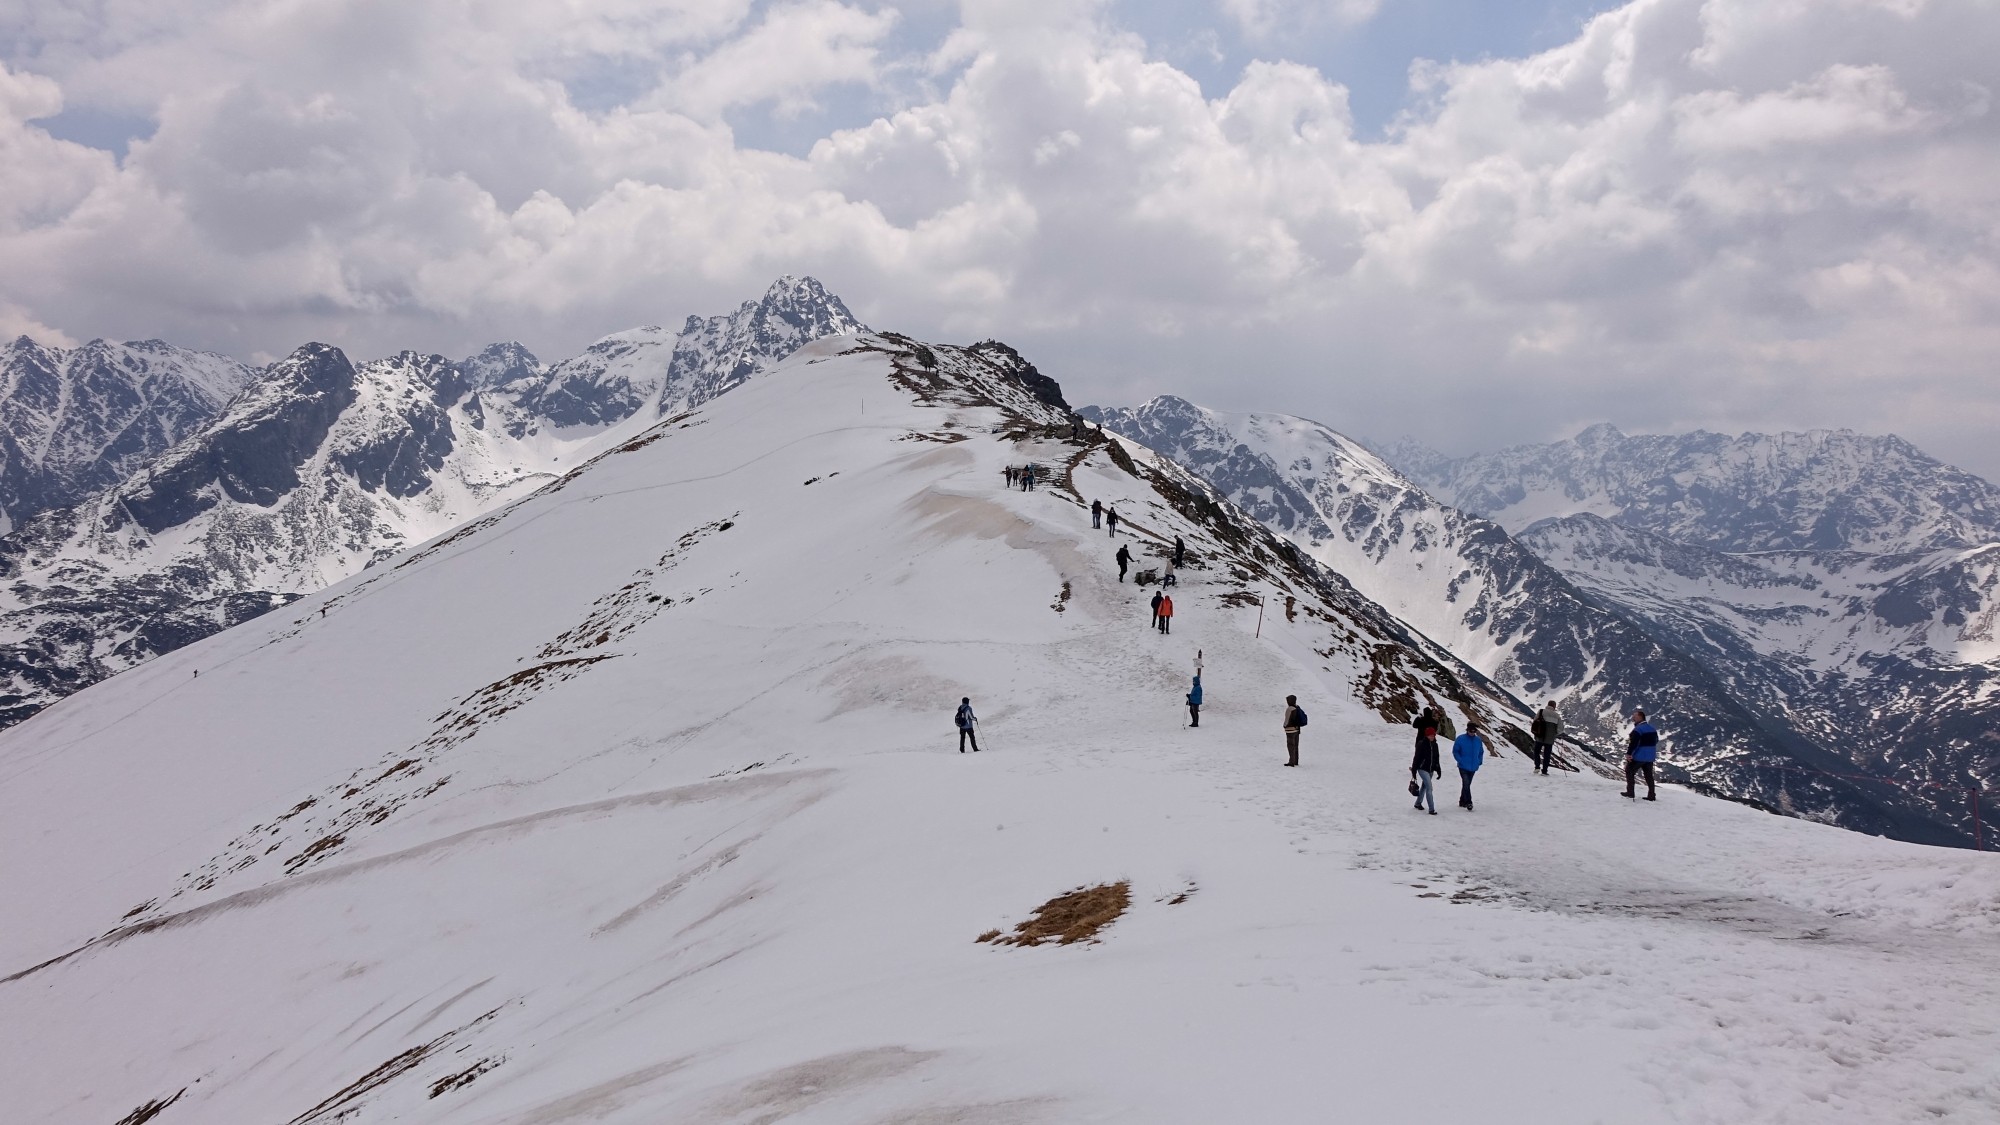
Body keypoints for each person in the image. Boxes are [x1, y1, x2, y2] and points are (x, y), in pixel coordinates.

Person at [1624, 709, 1659, 800]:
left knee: (1629, 771)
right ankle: (1651, 795)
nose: (1633, 718)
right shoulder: (1652, 728)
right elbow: (1656, 741)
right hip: (1650, 756)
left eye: (1634, 716)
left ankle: (1630, 792)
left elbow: (1634, 743)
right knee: (1649, 776)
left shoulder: (1638, 730)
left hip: (1639, 756)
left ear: (1640, 717)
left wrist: (1629, 754)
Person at [1411, 715, 1441, 815]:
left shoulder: (1435, 745)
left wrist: (1438, 768)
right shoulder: (1422, 744)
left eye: (1433, 735)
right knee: (1429, 787)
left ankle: (1418, 803)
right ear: (1427, 735)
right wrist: (1414, 770)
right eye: (1430, 735)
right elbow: (1416, 758)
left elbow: (1436, 757)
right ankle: (1431, 809)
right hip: (1422, 768)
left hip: (1431, 769)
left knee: (1424, 787)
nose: (1432, 737)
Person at [1452, 722, 1486, 809]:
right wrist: (1460, 760)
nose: (1472, 733)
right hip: (1463, 766)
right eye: (1471, 731)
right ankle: (1469, 802)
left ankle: (1462, 801)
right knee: (1466, 783)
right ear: (1467, 730)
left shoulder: (1478, 740)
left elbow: (1481, 752)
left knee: (1466, 784)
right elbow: (1455, 751)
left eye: (1474, 731)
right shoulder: (1460, 739)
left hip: (1473, 767)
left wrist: (1479, 761)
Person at [1532, 701, 1562, 774]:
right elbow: (1560, 729)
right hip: (1550, 739)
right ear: (1554, 706)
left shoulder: (1541, 711)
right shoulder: (1557, 716)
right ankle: (1544, 770)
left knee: (1536, 752)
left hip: (1539, 736)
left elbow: (1534, 721)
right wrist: (1554, 734)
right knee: (1547, 755)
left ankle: (1537, 767)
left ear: (1548, 704)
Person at [1281, 695, 1305, 766]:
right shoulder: (1297, 707)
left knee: (1290, 745)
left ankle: (1291, 762)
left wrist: (1284, 726)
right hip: (1297, 729)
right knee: (1296, 745)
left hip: (1290, 730)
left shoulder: (1290, 709)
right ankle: (1295, 761)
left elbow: (1287, 720)